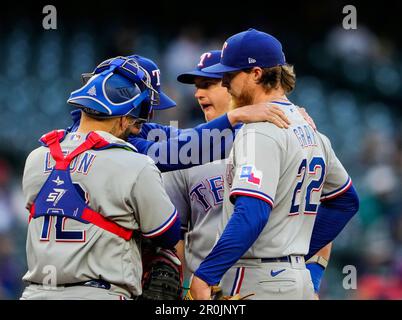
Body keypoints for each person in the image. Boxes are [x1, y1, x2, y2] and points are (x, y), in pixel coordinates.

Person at [189, 28, 359, 300]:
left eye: (230, 75)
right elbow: (345, 201)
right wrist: (297, 254)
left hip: (259, 280)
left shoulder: (260, 131)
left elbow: (252, 212)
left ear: (256, 74)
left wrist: (207, 273)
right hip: (295, 280)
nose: (224, 84)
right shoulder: (311, 130)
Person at [164, 49, 327, 298]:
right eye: (197, 86)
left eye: (209, 84)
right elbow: (175, 237)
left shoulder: (276, 135)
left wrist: (311, 275)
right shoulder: (185, 152)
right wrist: (180, 290)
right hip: (206, 289)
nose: (198, 93)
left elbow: (320, 207)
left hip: (263, 281)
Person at [20, 57, 180, 300]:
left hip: (34, 293)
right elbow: (168, 234)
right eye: (136, 120)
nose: (138, 128)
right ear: (123, 118)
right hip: (99, 293)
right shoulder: (135, 164)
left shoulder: (35, 158)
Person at [69, 55, 291, 173]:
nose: (148, 117)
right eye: (145, 108)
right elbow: (174, 153)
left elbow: (190, 139)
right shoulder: (110, 143)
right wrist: (236, 117)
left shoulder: (73, 138)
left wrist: (283, 116)